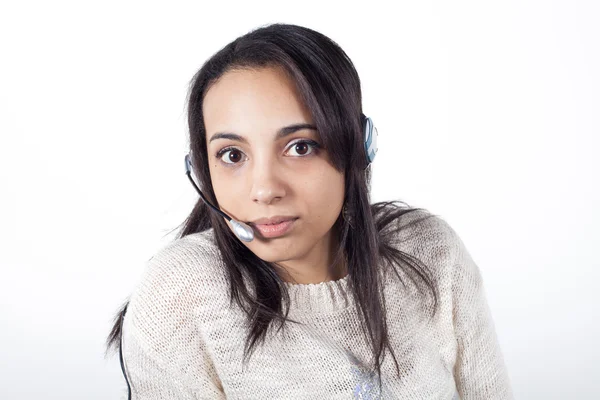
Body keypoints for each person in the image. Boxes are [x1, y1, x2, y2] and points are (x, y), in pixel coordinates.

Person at [105, 23, 513, 399]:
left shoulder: (430, 251)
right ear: (202, 170)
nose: (264, 190)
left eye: (300, 146)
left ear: (359, 146)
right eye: (231, 155)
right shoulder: (180, 293)